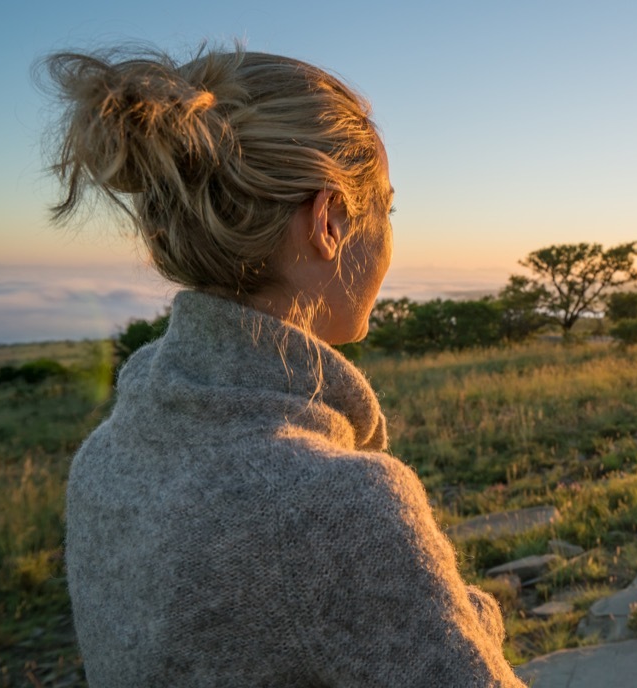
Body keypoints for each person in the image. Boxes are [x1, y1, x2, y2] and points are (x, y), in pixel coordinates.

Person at [45, 45, 526, 687]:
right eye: (387, 208)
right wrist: (469, 621)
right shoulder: (334, 506)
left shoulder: (104, 458)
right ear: (327, 221)